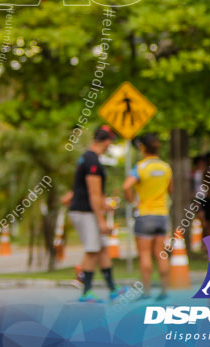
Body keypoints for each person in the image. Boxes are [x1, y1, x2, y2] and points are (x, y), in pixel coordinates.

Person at [67, 126, 120, 303]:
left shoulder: (87, 157)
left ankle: (113, 289)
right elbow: (93, 193)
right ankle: (86, 292)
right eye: (110, 142)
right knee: (92, 250)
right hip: (85, 211)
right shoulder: (92, 161)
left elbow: (94, 193)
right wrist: (101, 220)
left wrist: (105, 205)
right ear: (107, 141)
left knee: (102, 248)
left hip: (86, 209)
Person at [122, 133, 172, 300]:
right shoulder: (166, 167)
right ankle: (164, 291)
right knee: (161, 253)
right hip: (162, 215)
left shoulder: (141, 167)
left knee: (145, 254)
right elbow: (170, 190)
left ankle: (147, 291)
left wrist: (133, 201)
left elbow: (126, 186)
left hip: (144, 215)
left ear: (142, 148)